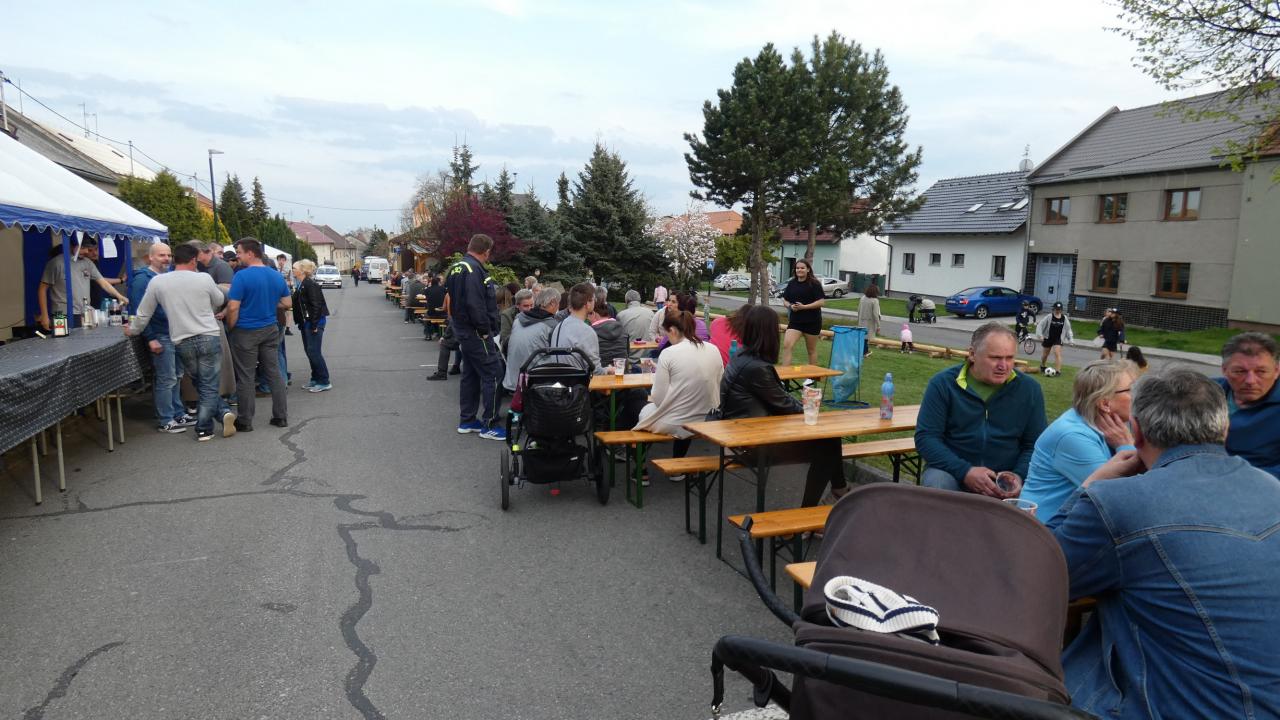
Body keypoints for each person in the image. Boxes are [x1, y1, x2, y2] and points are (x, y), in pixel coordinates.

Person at [1048, 368, 1280, 719]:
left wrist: (1091, 484)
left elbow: (1040, 573)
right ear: (1225, 428)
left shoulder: (1117, 502)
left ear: (1137, 432)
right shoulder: (1271, 488)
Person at [721, 305, 848, 507]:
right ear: (768, 333)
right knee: (828, 444)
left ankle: (838, 491)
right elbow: (786, 405)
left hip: (738, 434)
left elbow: (779, 398)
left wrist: (801, 406)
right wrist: (810, 408)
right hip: (748, 445)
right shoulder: (756, 368)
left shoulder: (741, 356)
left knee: (829, 440)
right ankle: (810, 511)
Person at [915, 322, 1047, 497]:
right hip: (953, 472)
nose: (1003, 366)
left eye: (1009, 358)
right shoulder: (943, 384)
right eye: (995, 358)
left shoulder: (1029, 389)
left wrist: (1018, 475)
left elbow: (1036, 445)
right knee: (937, 482)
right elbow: (926, 438)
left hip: (1005, 478)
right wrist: (965, 471)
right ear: (972, 354)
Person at [127, 242, 236, 441]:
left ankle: (220, 414)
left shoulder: (158, 282)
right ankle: (206, 425)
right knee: (209, 383)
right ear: (193, 260)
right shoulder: (203, 278)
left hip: (182, 338)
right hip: (208, 335)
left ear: (174, 259)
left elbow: (143, 313)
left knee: (200, 381)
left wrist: (133, 330)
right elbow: (219, 300)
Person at [1022, 360, 1138, 521]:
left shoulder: (1109, 425)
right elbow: (1122, 498)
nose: (1140, 396)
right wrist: (1126, 446)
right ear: (1105, 403)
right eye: (1132, 389)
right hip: (1044, 528)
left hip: (1073, 523)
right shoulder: (1072, 436)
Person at [634, 310, 723, 476]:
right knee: (684, 409)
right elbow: (718, 383)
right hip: (707, 418)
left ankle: (640, 469)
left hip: (678, 422)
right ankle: (677, 466)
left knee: (636, 407)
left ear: (673, 330)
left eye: (667, 333)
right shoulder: (713, 349)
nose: (667, 337)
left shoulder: (669, 353)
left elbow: (659, 398)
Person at [225, 238, 292, 432]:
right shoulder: (276, 275)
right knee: (274, 373)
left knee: (246, 376)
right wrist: (269, 304)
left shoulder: (241, 276)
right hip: (269, 328)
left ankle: (245, 421)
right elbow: (287, 303)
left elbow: (233, 307)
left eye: (239, 252)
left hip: (246, 330)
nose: (237, 256)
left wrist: (231, 326)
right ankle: (280, 416)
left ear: (250, 253)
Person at [129, 243, 193, 433]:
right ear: (150, 257)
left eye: (168, 255)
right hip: (159, 334)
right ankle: (166, 419)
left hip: (175, 333)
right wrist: (150, 337)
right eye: (161, 255)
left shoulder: (167, 276)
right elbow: (138, 311)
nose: (166, 259)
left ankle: (178, 413)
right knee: (166, 378)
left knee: (177, 375)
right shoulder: (142, 279)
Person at [445, 234, 504, 440]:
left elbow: (455, 300)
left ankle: (468, 420)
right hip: (476, 332)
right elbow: (475, 303)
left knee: (470, 374)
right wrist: (484, 329)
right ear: (486, 251)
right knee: (494, 374)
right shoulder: (474, 270)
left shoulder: (457, 267)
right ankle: (490, 424)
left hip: (463, 330)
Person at [1216, 332, 1280, 478]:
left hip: (1257, 484)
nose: (1250, 380)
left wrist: (1239, 478)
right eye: (1240, 371)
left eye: (1261, 371)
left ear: (1276, 371)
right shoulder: (1203, 393)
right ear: (1225, 370)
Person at [37, 236, 129, 330]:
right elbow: (42, 289)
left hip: (84, 313)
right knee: (64, 339)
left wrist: (119, 296)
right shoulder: (56, 263)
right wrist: (44, 315)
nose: (85, 251)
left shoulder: (87, 263)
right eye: (82, 248)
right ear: (70, 246)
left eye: (87, 248)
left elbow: (103, 283)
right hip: (62, 313)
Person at [503, 288, 560, 393]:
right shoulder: (551, 326)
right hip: (534, 383)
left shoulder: (518, 319)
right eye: (558, 304)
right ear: (553, 303)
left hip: (512, 379)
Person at [291, 259, 332, 393]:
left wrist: (314, 324)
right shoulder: (301, 284)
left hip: (314, 322)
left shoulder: (310, 284)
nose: (292, 270)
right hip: (306, 322)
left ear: (302, 270)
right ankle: (315, 378)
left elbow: (316, 305)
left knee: (314, 352)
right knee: (310, 351)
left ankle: (324, 381)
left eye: (294, 268)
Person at [545, 283, 602, 374]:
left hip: (559, 379)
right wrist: (609, 370)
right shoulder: (586, 331)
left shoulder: (559, 326)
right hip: (577, 381)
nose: (595, 302)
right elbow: (596, 371)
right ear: (587, 304)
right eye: (594, 299)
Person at [780, 259, 825, 366]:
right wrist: (790, 306)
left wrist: (804, 307)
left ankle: (812, 375)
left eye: (802, 268)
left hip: (812, 322)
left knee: (811, 350)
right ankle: (785, 374)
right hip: (795, 322)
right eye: (797, 268)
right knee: (787, 346)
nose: (799, 270)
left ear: (808, 269)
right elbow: (785, 300)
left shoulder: (814, 284)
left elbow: (821, 302)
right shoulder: (792, 283)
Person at [616, 289, 655, 363]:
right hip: (648, 356)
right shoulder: (651, 313)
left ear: (626, 301)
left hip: (630, 357)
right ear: (639, 300)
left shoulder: (621, 315)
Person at [1035, 301, 1073, 375]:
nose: (1057, 310)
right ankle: (1042, 365)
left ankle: (1058, 371)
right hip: (1048, 337)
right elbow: (1040, 325)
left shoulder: (1064, 318)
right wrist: (1040, 335)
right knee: (1045, 355)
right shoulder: (1049, 316)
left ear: (1061, 310)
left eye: (1059, 309)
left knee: (1057, 353)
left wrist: (1070, 340)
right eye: (1056, 309)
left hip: (1058, 339)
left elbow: (1068, 329)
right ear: (1054, 309)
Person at [590, 297, 629, 370]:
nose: (588, 319)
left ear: (594, 314)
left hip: (600, 373)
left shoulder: (590, 332)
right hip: (623, 371)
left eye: (588, 315)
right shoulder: (623, 329)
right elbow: (627, 353)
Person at [500, 289, 533, 353]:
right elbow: (505, 340)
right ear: (517, 305)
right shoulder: (507, 315)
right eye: (526, 306)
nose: (529, 309)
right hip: (515, 349)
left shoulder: (535, 311)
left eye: (532, 305)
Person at [856, 284, 882, 356]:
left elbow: (858, 309)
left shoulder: (863, 298)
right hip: (869, 321)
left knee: (863, 336)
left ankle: (864, 350)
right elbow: (875, 314)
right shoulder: (875, 301)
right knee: (866, 337)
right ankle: (864, 351)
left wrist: (859, 319)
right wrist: (878, 325)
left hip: (861, 320)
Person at [423, 274, 447, 340]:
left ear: (431, 282)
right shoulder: (443, 289)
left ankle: (428, 335)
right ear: (438, 282)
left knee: (426, 316)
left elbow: (426, 298)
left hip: (431, 313)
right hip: (442, 313)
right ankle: (439, 333)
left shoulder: (427, 290)